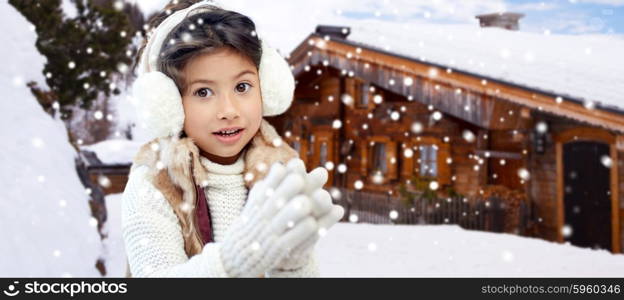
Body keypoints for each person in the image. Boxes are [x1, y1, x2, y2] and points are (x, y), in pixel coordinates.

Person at [121, 0, 344, 277]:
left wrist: (293, 265)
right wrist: (231, 263)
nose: (229, 111)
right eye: (203, 92)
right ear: (168, 104)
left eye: (242, 86)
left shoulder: (279, 173)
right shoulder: (153, 183)